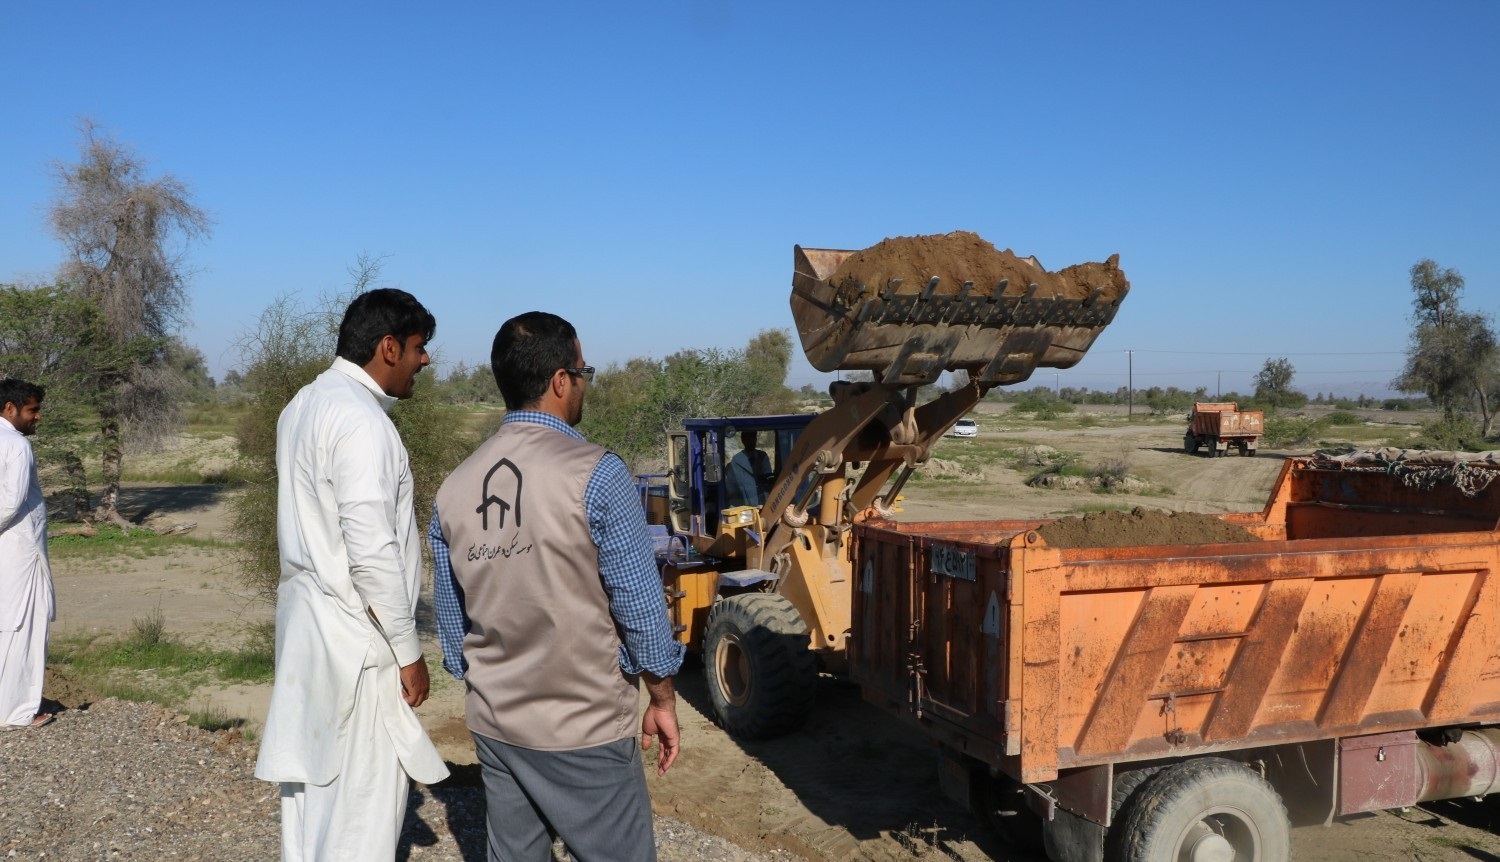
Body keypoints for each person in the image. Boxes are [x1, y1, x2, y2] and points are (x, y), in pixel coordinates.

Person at [431, 311, 683, 862]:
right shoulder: (596, 473)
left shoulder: (453, 489)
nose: (584, 382)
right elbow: (640, 610)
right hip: (585, 726)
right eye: (583, 370)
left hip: (498, 727)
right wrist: (661, 697)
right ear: (562, 380)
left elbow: (453, 636)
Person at [253, 289, 449, 861]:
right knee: (362, 806)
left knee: (313, 798)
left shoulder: (304, 404)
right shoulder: (362, 421)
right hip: (359, 642)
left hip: (311, 632)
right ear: (388, 348)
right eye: (419, 347)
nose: (425, 361)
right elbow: (371, 550)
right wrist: (409, 651)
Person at [0, 379, 55, 731]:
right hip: (20, 547)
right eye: (32, 410)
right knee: (22, 625)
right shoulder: (16, 445)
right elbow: (11, 500)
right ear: (10, 409)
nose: (37, 418)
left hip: (10, 544)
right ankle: (17, 711)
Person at [724, 430, 773, 508]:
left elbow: (768, 476)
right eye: (748, 439)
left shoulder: (762, 456)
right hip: (744, 503)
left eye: (753, 438)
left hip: (764, 500)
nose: (751, 441)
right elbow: (732, 486)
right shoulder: (737, 460)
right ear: (743, 441)